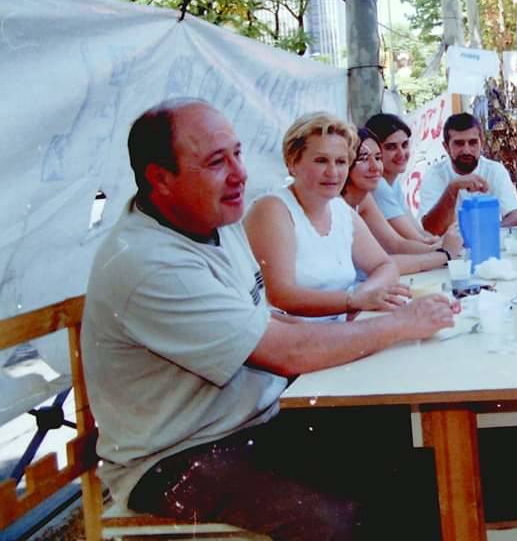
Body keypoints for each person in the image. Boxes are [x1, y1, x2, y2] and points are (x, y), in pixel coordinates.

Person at [82, 100, 456, 539]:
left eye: (237, 154)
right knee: (342, 521)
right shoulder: (150, 261)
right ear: (160, 178)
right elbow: (284, 352)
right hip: (176, 459)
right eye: (216, 162)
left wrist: (368, 325)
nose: (239, 173)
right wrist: (400, 325)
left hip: (253, 424)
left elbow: (269, 320)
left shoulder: (214, 224)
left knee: (411, 458)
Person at [244, 112, 413, 320]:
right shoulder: (272, 209)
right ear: (292, 163)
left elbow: (384, 265)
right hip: (290, 339)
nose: (333, 172)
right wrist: (353, 301)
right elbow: (281, 295)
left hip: (337, 330)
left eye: (341, 162)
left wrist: (365, 295)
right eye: (321, 161)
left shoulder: (340, 210)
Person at [343, 126, 465, 275]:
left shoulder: (365, 197)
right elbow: (382, 262)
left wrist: (443, 248)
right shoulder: (339, 204)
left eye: (377, 158)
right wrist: (443, 253)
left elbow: (397, 244)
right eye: (362, 159)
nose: (375, 167)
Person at [419, 112, 517, 235]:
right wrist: (453, 188)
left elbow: (516, 216)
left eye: (472, 142)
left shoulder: (495, 171)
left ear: (481, 143)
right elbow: (430, 229)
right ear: (446, 147)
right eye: (459, 143)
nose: (466, 150)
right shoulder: (434, 175)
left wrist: (481, 233)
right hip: (449, 251)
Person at [365, 112, 438, 244]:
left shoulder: (393, 182)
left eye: (404, 145)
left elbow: (418, 231)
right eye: (391, 147)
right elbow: (414, 240)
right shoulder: (378, 185)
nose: (401, 154)